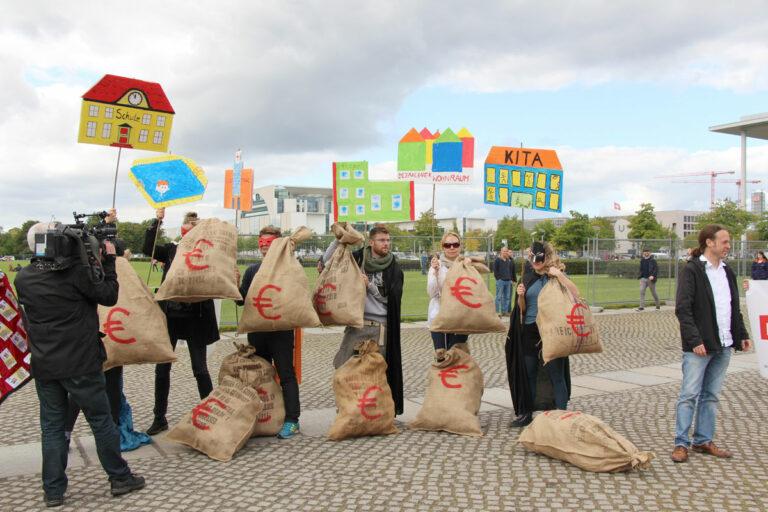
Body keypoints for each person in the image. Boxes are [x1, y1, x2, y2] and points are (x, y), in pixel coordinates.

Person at [16, 220, 145, 507]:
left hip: (46, 365)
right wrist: (108, 261)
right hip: (82, 363)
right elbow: (108, 295)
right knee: (101, 422)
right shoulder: (76, 275)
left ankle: (53, 490)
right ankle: (119, 477)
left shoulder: (23, 278)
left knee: (52, 427)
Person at [671, 225, 752, 463]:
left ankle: (703, 439)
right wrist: (695, 340)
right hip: (699, 347)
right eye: (725, 242)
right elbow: (683, 309)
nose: (728, 246)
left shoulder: (728, 271)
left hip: (724, 343)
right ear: (710, 242)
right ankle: (681, 443)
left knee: (711, 396)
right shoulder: (693, 270)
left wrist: (742, 333)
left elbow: (732, 307)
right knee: (689, 395)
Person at [143, 209, 219, 435]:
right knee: (162, 368)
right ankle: (159, 417)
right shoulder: (171, 249)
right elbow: (148, 248)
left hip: (196, 317)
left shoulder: (208, 251)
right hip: (171, 316)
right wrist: (156, 222)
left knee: (200, 368)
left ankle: (209, 413)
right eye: (189, 227)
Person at [323, 224, 405, 415]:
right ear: (371, 241)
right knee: (343, 367)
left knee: (375, 372)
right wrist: (340, 238)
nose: (386, 244)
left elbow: (391, 301)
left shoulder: (394, 269)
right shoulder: (357, 258)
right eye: (382, 240)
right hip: (356, 324)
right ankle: (349, 410)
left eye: (388, 240)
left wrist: (370, 286)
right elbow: (328, 260)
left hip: (379, 327)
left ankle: (374, 414)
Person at [237, 226, 301, 439]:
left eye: (269, 243)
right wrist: (234, 285)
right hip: (257, 331)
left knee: (286, 373)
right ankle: (264, 417)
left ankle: (292, 420)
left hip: (281, 331)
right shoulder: (252, 270)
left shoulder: (287, 267)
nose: (264, 247)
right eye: (261, 243)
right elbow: (242, 300)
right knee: (260, 376)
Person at [505, 241, 576, 427]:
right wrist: (520, 295)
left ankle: (561, 415)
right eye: (532, 257)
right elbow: (522, 309)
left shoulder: (555, 276)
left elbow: (576, 295)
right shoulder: (526, 278)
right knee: (529, 373)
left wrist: (559, 275)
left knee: (556, 374)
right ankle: (526, 414)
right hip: (530, 330)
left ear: (547, 257)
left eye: (539, 257)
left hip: (553, 330)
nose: (535, 261)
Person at [428, 232, 470, 352]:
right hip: (439, 316)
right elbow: (432, 293)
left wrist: (467, 270)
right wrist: (435, 273)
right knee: (441, 356)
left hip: (460, 318)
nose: (452, 247)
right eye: (448, 245)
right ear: (443, 247)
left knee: (457, 356)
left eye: (455, 244)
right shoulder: (436, 265)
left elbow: (471, 291)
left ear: (460, 246)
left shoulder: (466, 264)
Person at [493, 246, 516, 317]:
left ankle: (504, 312)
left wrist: (511, 279)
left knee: (507, 297)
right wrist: (498, 279)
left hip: (508, 281)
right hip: (501, 281)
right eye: (504, 251)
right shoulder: (497, 260)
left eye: (506, 251)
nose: (505, 252)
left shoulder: (508, 260)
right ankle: (497, 312)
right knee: (498, 297)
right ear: (501, 251)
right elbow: (495, 271)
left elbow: (510, 271)